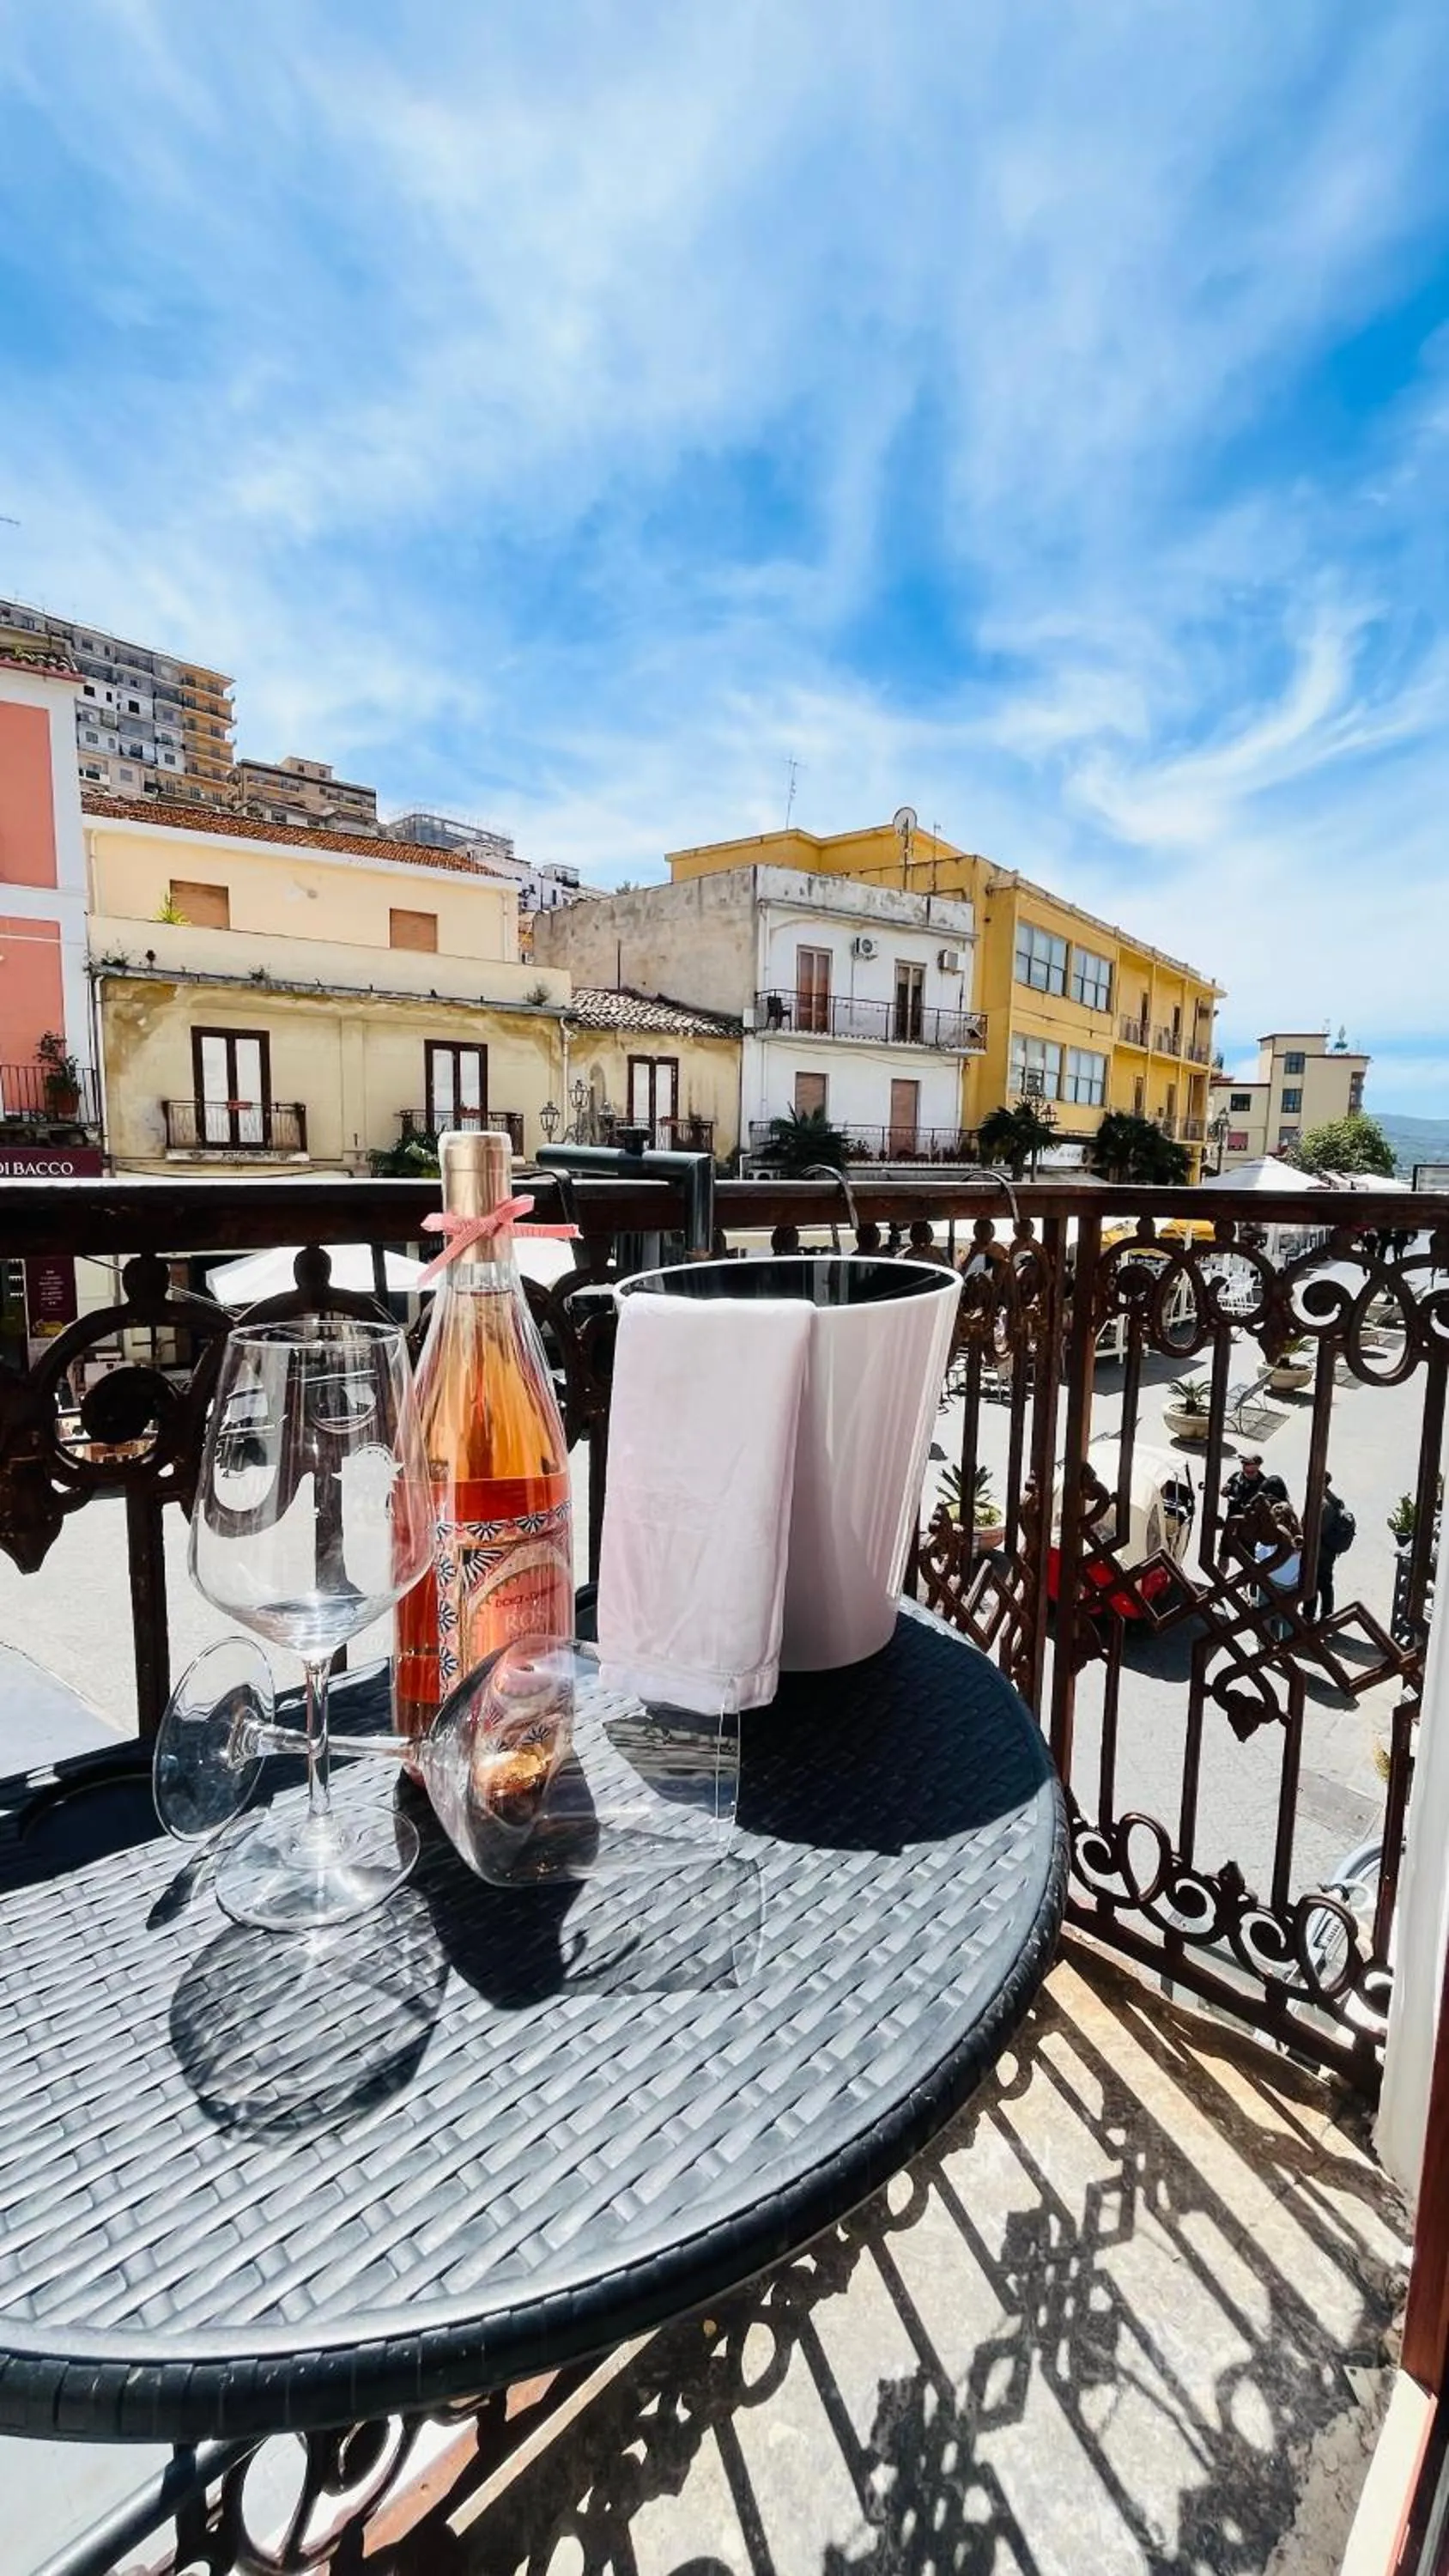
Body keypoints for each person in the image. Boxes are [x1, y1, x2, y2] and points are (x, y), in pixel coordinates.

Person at [1311, 1474, 1355, 1620]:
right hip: (1329, 1550)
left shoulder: (1324, 1504)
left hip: (1320, 1551)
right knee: (1325, 1583)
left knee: (1313, 1583)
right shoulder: (1332, 1499)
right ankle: (1327, 1614)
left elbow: (1317, 1529)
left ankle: (1310, 1615)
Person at [1223, 1452, 1288, 1517]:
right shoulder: (1235, 1477)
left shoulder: (1264, 1484)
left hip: (1251, 1521)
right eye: (1244, 1463)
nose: (1245, 1466)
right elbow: (1226, 1493)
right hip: (1232, 1517)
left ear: (1258, 1466)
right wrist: (1225, 1492)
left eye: (1249, 1464)